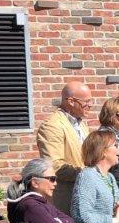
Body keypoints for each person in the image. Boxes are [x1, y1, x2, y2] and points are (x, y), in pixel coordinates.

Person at [37, 81, 90, 213]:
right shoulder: (52, 126)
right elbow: (55, 166)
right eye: (86, 101)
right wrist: (90, 174)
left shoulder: (81, 124)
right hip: (67, 199)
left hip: (84, 195)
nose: (90, 105)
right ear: (71, 101)